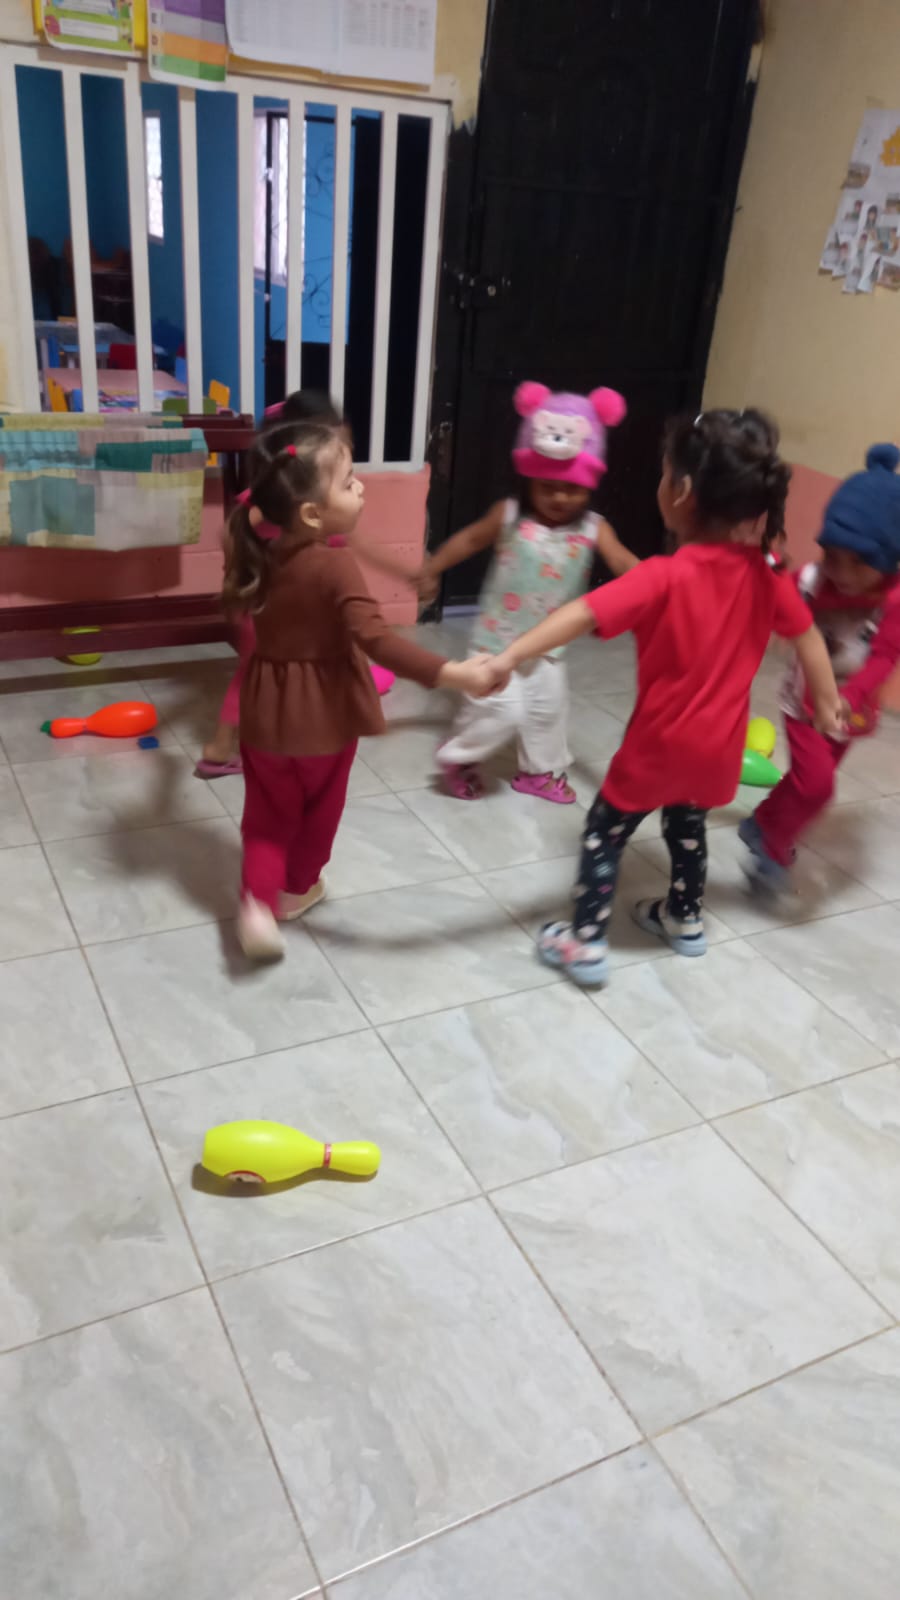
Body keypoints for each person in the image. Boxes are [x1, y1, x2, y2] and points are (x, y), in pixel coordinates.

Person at [483, 408, 843, 986]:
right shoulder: (765, 577)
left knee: (604, 834)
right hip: (717, 750)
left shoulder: (663, 575)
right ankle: (684, 918)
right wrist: (824, 699)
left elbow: (580, 614)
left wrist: (508, 655)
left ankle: (585, 941)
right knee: (687, 827)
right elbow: (806, 634)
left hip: (657, 747)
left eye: (663, 472)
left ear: (681, 491)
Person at [224, 418, 496, 960]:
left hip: (264, 715)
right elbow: (378, 640)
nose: (362, 487)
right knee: (319, 810)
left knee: (266, 818)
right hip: (323, 720)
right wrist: (453, 672)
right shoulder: (334, 565)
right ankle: (297, 889)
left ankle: (256, 906)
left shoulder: (257, 553)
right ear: (311, 513)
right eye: (349, 482)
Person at [418, 381, 638, 802]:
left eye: (572, 488)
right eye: (547, 486)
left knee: (547, 711)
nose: (560, 496)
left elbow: (625, 564)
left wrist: (666, 586)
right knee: (500, 708)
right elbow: (469, 540)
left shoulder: (595, 528)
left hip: (549, 646)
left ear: (591, 485)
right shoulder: (509, 515)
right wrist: (433, 567)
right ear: (529, 480)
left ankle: (537, 772)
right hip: (496, 639)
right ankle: (459, 755)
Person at [196, 391, 409, 779]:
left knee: (296, 671)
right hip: (270, 609)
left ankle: (277, 737)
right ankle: (220, 748)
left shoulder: (321, 506)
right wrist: (244, 578)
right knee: (254, 674)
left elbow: (359, 544)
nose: (344, 457)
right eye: (334, 446)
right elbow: (235, 531)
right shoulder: (273, 503)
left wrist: (404, 572)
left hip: (302, 612)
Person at [740, 442, 900, 889]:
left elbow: (885, 656)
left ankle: (761, 821)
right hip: (804, 705)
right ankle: (774, 850)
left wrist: (851, 696)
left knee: (806, 779)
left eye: (860, 562)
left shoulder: (893, 600)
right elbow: (768, 603)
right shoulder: (811, 581)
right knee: (817, 787)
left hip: (853, 711)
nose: (842, 573)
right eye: (833, 556)